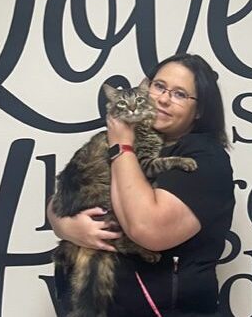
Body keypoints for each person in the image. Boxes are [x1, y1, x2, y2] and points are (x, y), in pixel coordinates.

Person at [48, 53, 235, 316]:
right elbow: (68, 192)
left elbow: (147, 228)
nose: (163, 99)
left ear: (199, 110)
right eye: (159, 86)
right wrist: (68, 226)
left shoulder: (205, 158)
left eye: (180, 94)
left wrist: (121, 145)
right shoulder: (134, 138)